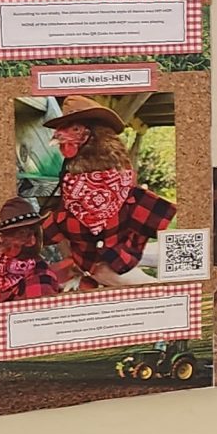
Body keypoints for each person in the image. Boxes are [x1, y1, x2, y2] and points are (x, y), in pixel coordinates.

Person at [42, 96, 176, 289]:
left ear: (90, 135)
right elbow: (62, 224)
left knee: (128, 279)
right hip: (96, 258)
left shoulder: (118, 182)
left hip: (114, 256)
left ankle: (167, 288)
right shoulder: (73, 184)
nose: (59, 135)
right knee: (106, 272)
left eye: (75, 129)